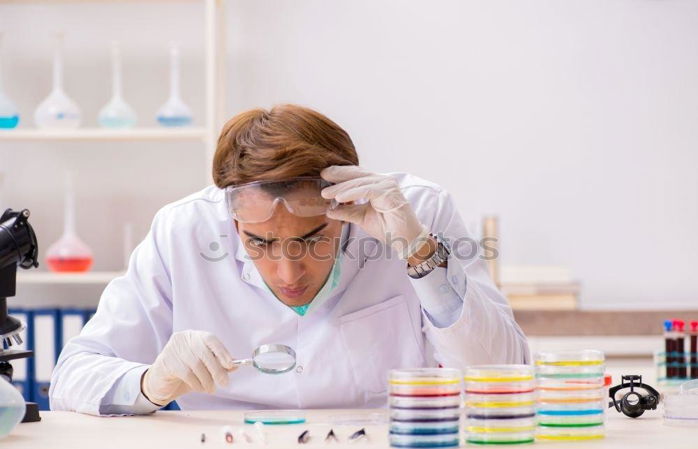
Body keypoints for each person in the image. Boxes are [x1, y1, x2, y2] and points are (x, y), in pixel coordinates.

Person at [49, 104, 529, 415]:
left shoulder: (413, 212)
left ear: (343, 206)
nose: (287, 272)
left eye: (313, 237)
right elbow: (71, 379)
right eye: (259, 243)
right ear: (230, 218)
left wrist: (418, 252)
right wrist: (153, 381)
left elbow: (504, 375)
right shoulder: (183, 230)